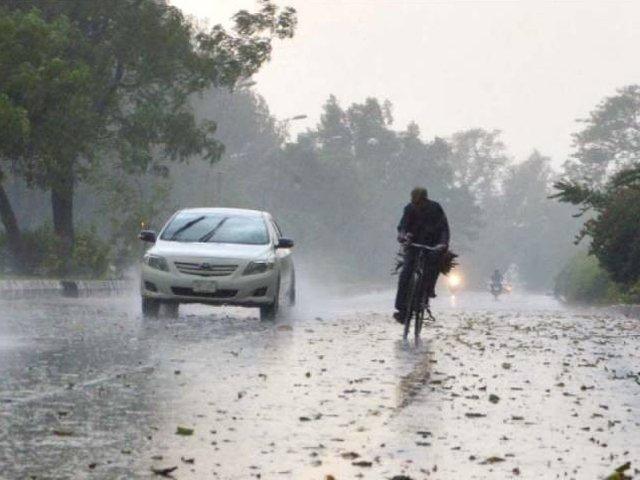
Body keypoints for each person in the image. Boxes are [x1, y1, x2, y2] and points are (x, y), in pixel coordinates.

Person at [394, 187, 450, 323]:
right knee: (406, 272)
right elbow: (402, 226)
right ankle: (401, 309)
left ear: (425, 200)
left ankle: (426, 293)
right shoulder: (409, 209)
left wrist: (442, 244)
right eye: (414, 202)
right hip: (413, 245)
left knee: (432, 267)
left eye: (419, 202)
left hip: (432, 246)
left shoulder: (435, 208)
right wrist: (402, 236)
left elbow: (444, 228)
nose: (417, 205)